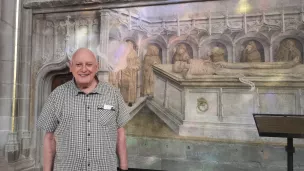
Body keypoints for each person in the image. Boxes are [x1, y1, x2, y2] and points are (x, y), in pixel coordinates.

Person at [37, 48, 130, 171]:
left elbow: (120, 134)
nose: (84, 69)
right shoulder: (57, 95)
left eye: (89, 64)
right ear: (71, 67)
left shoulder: (113, 94)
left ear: (96, 67)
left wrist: (124, 167)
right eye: (78, 65)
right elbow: (49, 139)